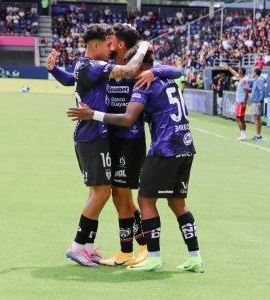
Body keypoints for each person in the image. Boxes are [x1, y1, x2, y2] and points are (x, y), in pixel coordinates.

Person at [67, 45, 204, 273]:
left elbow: (128, 118)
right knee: (178, 203)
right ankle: (195, 257)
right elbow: (178, 71)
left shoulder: (143, 83)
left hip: (165, 148)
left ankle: (153, 258)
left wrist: (94, 115)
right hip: (187, 147)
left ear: (139, 66)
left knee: (145, 201)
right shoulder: (167, 78)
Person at [57, 23, 151, 267]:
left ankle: (87, 246)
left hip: (101, 136)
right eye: (107, 44)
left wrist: (53, 69)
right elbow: (130, 70)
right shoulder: (95, 66)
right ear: (96, 45)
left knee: (101, 192)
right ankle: (78, 245)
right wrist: (143, 47)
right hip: (93, 136)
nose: (111, 48)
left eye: (114, 44)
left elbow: (70, 79)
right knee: (103, 192)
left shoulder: (84, 65)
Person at [223, 63, 250, 141]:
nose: (238, 72)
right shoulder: (241, 79)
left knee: (239, 118)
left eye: (239, 71)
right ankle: (243, 134)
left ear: (242, 72)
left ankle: (243, 135)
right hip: (240, 102)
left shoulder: (244, 80)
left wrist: (245, 103)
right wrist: (228, 68)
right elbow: (234, 73)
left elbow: (247, 91)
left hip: (241, 102)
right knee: (241, 118)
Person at [249, 68, 266, 141]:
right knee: (256, 118)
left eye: (252, 72)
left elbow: (262, 91)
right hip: (254, 101)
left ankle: (258, 135)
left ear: (255, 73)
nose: (251, 74)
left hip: (257, 102)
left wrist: (259, 101)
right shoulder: (256, 80)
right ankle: (257, 135)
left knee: (257, 118)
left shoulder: (259, 80)